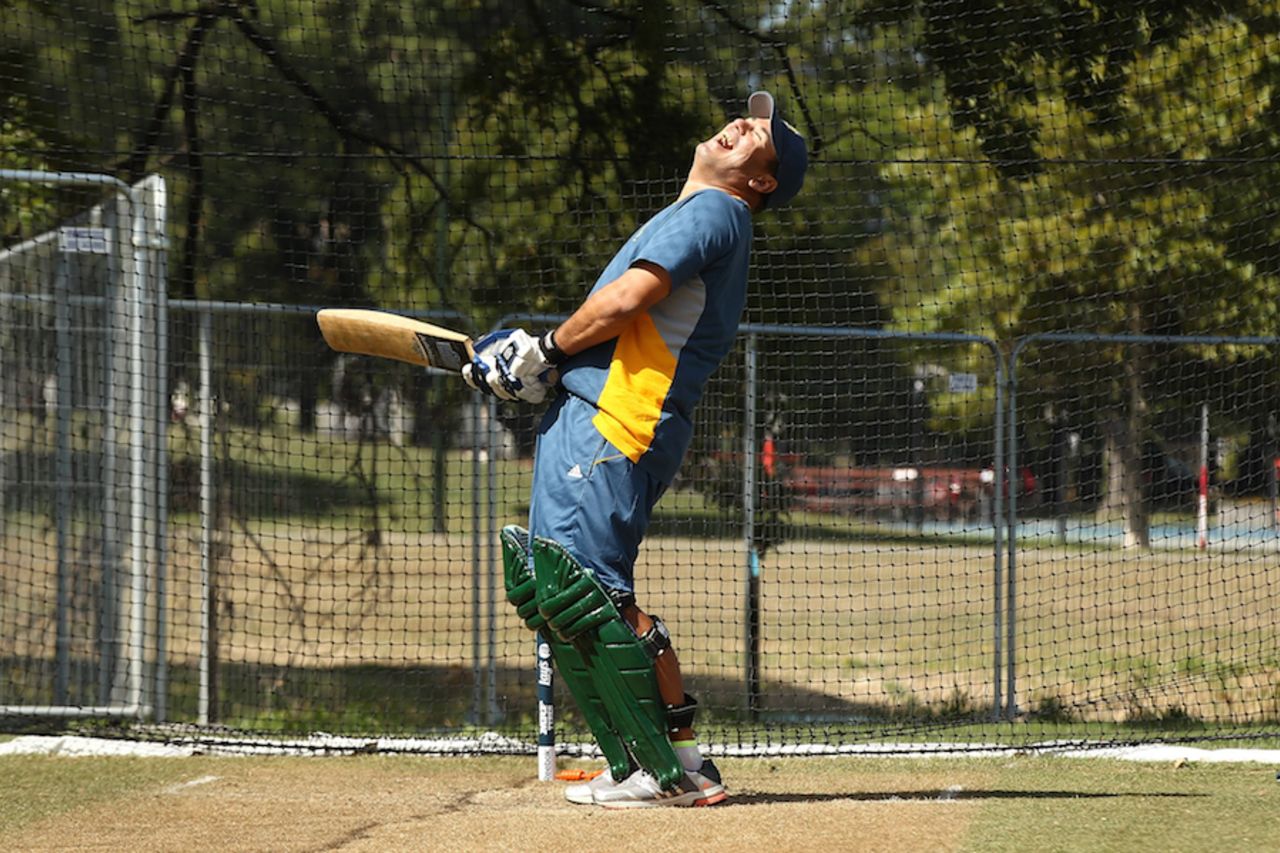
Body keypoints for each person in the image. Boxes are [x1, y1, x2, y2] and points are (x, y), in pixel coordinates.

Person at [463, 90, 807, 808]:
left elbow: (628, 300)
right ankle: (659, 757)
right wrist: (545, 370)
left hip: (618, 418)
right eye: (747, 116)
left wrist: (547, 348)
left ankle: (673, 771)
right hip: (600, 409)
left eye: (758, 135)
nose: (741, 124)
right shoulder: (703, 213)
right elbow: (630, 323)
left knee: (587, 593)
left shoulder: (717, 211)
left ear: (762, 179)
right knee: (561, 591)